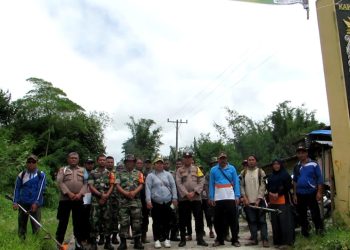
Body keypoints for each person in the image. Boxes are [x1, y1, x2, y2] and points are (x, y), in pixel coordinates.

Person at [175, 150, 208, 247]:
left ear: (192, 159)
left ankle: (200, 239)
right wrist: (186, 194)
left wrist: (195, 192)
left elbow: (202, 181)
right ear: (183, 159)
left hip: (196, 198)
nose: (187, 159)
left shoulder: (197, 169)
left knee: (199, 219)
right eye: (185, 157)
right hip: (184, 199)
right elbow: (178, 183)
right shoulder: (179, 170)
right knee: (183, 220)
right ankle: (182, 240)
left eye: (189, 157)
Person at [56, 152, 87, 250]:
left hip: (78, 200)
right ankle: (59, 243)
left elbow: (86, 184)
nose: (73, 159)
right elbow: (60, 182)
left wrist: (79, 194)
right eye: (71, 158)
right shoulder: (63, 169)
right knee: (62, 222)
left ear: (78, 159)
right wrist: (69, 193)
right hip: (65, 200)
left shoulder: (83, 170)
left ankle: (78, 244)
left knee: (78, 222)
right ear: (68, 159)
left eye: (75, 158)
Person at [209, 153, 241, 247]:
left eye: (224, 158)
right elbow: (211, 184)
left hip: (230, 197)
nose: (223, 160)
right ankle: (219, 239)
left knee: (233, 220)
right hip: (218, 198)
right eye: (221, 159)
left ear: (226, 159)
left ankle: (235, 240)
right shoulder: (213, 170)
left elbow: (236, 182)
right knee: (218, 220)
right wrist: (211, 197)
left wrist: (237, 195)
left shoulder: (232, 168)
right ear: (218, 160)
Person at [145, 157, 178, 248]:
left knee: (167, 221)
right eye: (157, 163)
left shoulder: (168, 175)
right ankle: (157, 239)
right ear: (154, 165)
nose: (160, 165)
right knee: (156, 222)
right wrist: (148, 200)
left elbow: (173, 186)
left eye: (161, 163)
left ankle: (167, 239)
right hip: (156, 202)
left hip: (168, 202)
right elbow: (147, 189)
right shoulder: (150, 176)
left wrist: (175, 198)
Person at [13, 154, 46, 240]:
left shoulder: (41, 175)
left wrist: (36, 203)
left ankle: (36, 243)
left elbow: (40, 190)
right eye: (29, 162)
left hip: (35, 205)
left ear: (36, 163)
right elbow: (17, 188)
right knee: (21, 225)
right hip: (23, 204)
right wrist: (15, 201)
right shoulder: (22, 175)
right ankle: (22, 242)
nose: (31, 163)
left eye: (33, 162)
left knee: (36, 226)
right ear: (26, 163)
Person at [293, 145, 324, 237]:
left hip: (311, 193)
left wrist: (319, 192)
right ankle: (305, 233)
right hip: (300, 194)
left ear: (306, 153)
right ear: (297, 155)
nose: (301, 154)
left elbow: (319, 178)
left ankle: (320, 231)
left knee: (315, 213)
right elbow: (294, 181)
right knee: (302, 215)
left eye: (303, 152)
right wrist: (294, 194)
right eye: (299, 153)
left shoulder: (314, 164)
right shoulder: (296, 166)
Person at [116, 154, 145, 250]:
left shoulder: (139, 173)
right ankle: (123, 243)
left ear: (134, 162)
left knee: (137, 222)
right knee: (124, 222)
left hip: (135, 202)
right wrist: (126, 193)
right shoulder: (119, 173)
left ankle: (137, 242)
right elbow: (117, 185)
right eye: (128, 161)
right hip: (123, 202)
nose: (130, 163)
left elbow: (141, 184)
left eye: (132, 161)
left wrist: (133, 193)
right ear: (125, 163)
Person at [240, 155, 269, 248]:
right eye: (249, 160)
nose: (251, 161)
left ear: (256, 161)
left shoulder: (261, 172)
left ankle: (265, 240)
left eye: (253, 160)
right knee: (251, 221)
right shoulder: (243, 173)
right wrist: (245, 198)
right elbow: (241, 186)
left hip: (259, 201)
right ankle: (254, 239)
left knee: (262, 221)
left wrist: (259, 198)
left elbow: (263, 186)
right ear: (247, 161)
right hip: (248, 202)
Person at [88, 154, 115, 250]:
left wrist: (106, 195)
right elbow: (91, 186)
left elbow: (112, 185)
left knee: (107, 221)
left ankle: (108, 242)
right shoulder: (92, 173)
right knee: (94, 221)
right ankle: (94, 243)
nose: (102, 161)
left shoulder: (110, 173)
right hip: (96, 200)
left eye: (104, 160)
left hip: (107, 200)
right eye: (101, 160)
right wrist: (100, 195)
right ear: (97, 161)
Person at [267, 159, 295, 248]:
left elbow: (288, 186)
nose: (276, 166)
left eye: (278, 164)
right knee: (275, 222)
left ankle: (286, 242)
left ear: (281, 165)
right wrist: (270, 193)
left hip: (283, 201)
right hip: (273, 201)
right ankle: (278, 241)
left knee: (284, 221)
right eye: (274, 164)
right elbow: (268, 187)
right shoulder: (270, 176)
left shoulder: (285, 175)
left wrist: (278, 193)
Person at [135, 159, 150, 244]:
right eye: (138, 163)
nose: (140, 164)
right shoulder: (132, 173)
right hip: (135, 199)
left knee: (145, 218)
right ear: (135, 164)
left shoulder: (146, 174)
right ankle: (136, 238)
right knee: (134, 219)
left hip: (144, 199)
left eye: (141, 163)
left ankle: (144, 236)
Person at [106, 155, 120, 245]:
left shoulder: (117, 173)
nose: (110, 164)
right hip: (104, 198)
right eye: (108, 162)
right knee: (105, 219)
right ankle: (103, 237)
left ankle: (114, 236)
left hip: (115, 199)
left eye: (112, 162)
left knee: (115, 218)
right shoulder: (102, 172)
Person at [82, 158, 94, 244]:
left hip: (93, 199)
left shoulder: (95, 173)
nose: (90, 165)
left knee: (92, 219)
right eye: (88, 163)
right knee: (84, 219)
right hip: (84, 198)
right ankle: (83, 237)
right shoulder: (81, 172)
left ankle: (91, 237)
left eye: (91, 163)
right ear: (85, 164)